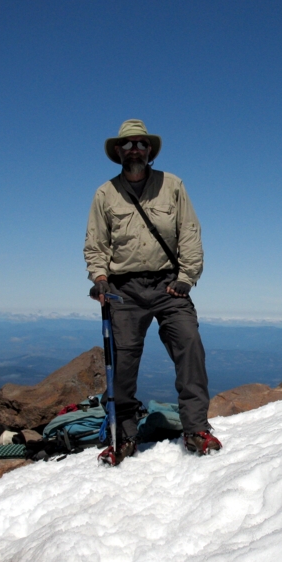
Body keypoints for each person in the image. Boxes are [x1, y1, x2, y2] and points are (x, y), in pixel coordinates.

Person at [84, 119, 222, 465]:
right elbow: (96, 243)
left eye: (141, 144)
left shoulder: (172, 186)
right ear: (118, 151)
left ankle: (195, 429)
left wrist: (187, 277)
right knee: (123, 362)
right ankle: (125, 436)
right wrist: (99, 277)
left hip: (168, 285)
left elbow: (189, 232)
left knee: (189, 346)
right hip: (123, 290)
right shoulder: (105, 193)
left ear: (150, 151)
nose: (134, 149)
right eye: (128, 144)